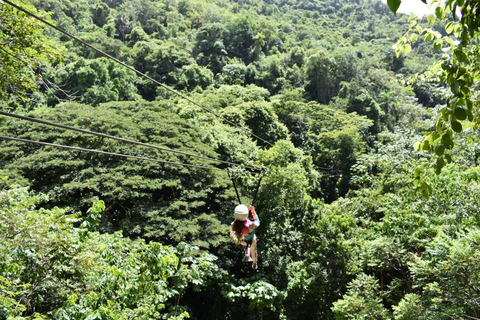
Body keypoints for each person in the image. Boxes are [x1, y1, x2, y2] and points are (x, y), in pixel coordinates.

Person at [230, 204, 260, 269]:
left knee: (246, 244)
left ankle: (247, 255)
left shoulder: (234, 225)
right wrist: (253, 211)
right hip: (251, 240)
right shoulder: (250, 226)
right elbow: (257, 221)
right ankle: (254, 263)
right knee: (253, 248)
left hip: (242, 240)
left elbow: (241, 221)